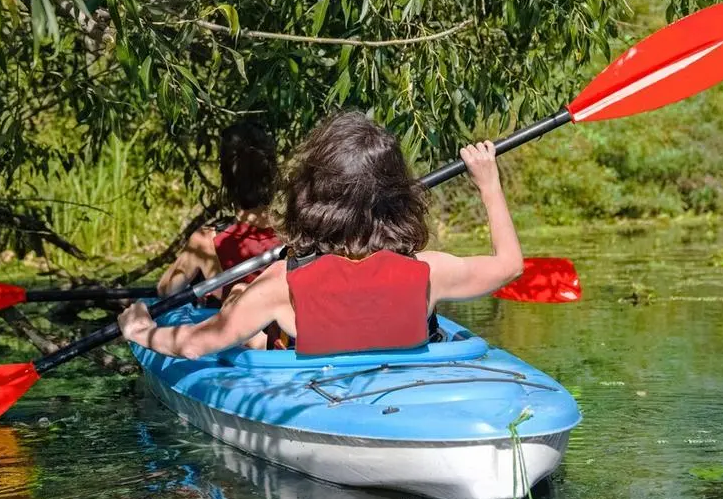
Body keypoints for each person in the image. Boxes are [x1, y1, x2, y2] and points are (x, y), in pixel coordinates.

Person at [119, 111, 523, 359]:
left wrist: (141, 331)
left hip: (321, 403)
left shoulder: (282, 284)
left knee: (243, 314)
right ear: (398, 196)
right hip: (409, 394)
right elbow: (509, 265)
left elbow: (193, 345)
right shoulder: (431, 270)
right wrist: (489, 184)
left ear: (310, 196)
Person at [156, 122, 280, 306]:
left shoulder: (205, 241)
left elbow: (167, 291)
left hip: (240, 330)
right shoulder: (297, 233)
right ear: (272, 174)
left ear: (226, 178)